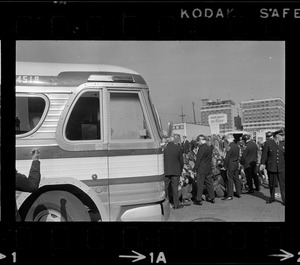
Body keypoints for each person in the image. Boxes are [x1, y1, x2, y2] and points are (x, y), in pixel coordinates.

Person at [260, 128, 285, 205]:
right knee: (272, 184)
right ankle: (272, 198)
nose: (283, 137)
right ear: (277, 135)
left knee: (282, 184)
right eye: (282, 135)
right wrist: (262, 163)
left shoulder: (283, 143)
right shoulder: (268, 143)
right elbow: (264, 154)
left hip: (281, 167)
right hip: (271, 166)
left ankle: (284, 199)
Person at [193, 135, 215, 205]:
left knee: (200, 184)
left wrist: (195, 168)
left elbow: (198, 159)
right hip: (208, 168)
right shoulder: (209, 148)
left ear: (200, 141)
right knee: (209, 183)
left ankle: (199, 199)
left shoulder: (201, 149)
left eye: (198, 141)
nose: (197, 143)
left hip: (201, 168)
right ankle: (212, 197)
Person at [164, 135, 184, 209]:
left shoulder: (164, 148)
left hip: (166, 171)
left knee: (166, 188)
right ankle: (176, 204)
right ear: (173, 140)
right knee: (175, 188)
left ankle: (166, 204)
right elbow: (181, 161)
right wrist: (181, 169)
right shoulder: (178, 148)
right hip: (176, 171)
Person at [222, 134, 241, 200]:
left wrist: (224, 165)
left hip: (230, 164)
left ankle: (230, 195)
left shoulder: (230, 147)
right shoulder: (237, 146)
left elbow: (227, 157)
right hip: (236, 164)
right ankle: (238, 192)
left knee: (230, 180)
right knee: (236, 179)